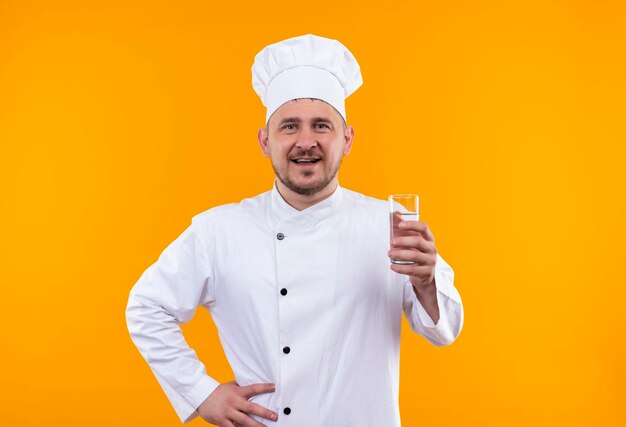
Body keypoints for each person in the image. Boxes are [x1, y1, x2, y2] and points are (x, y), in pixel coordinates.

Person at [125, 33, 464, 427]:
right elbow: (146, 307)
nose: (306, 142)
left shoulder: (390, 223)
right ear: (265, 141)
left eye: (322, 125)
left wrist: (427, 281)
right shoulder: (219, 230)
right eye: (289, 127)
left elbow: (446, 332)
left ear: (348, 139)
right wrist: (201, 393)